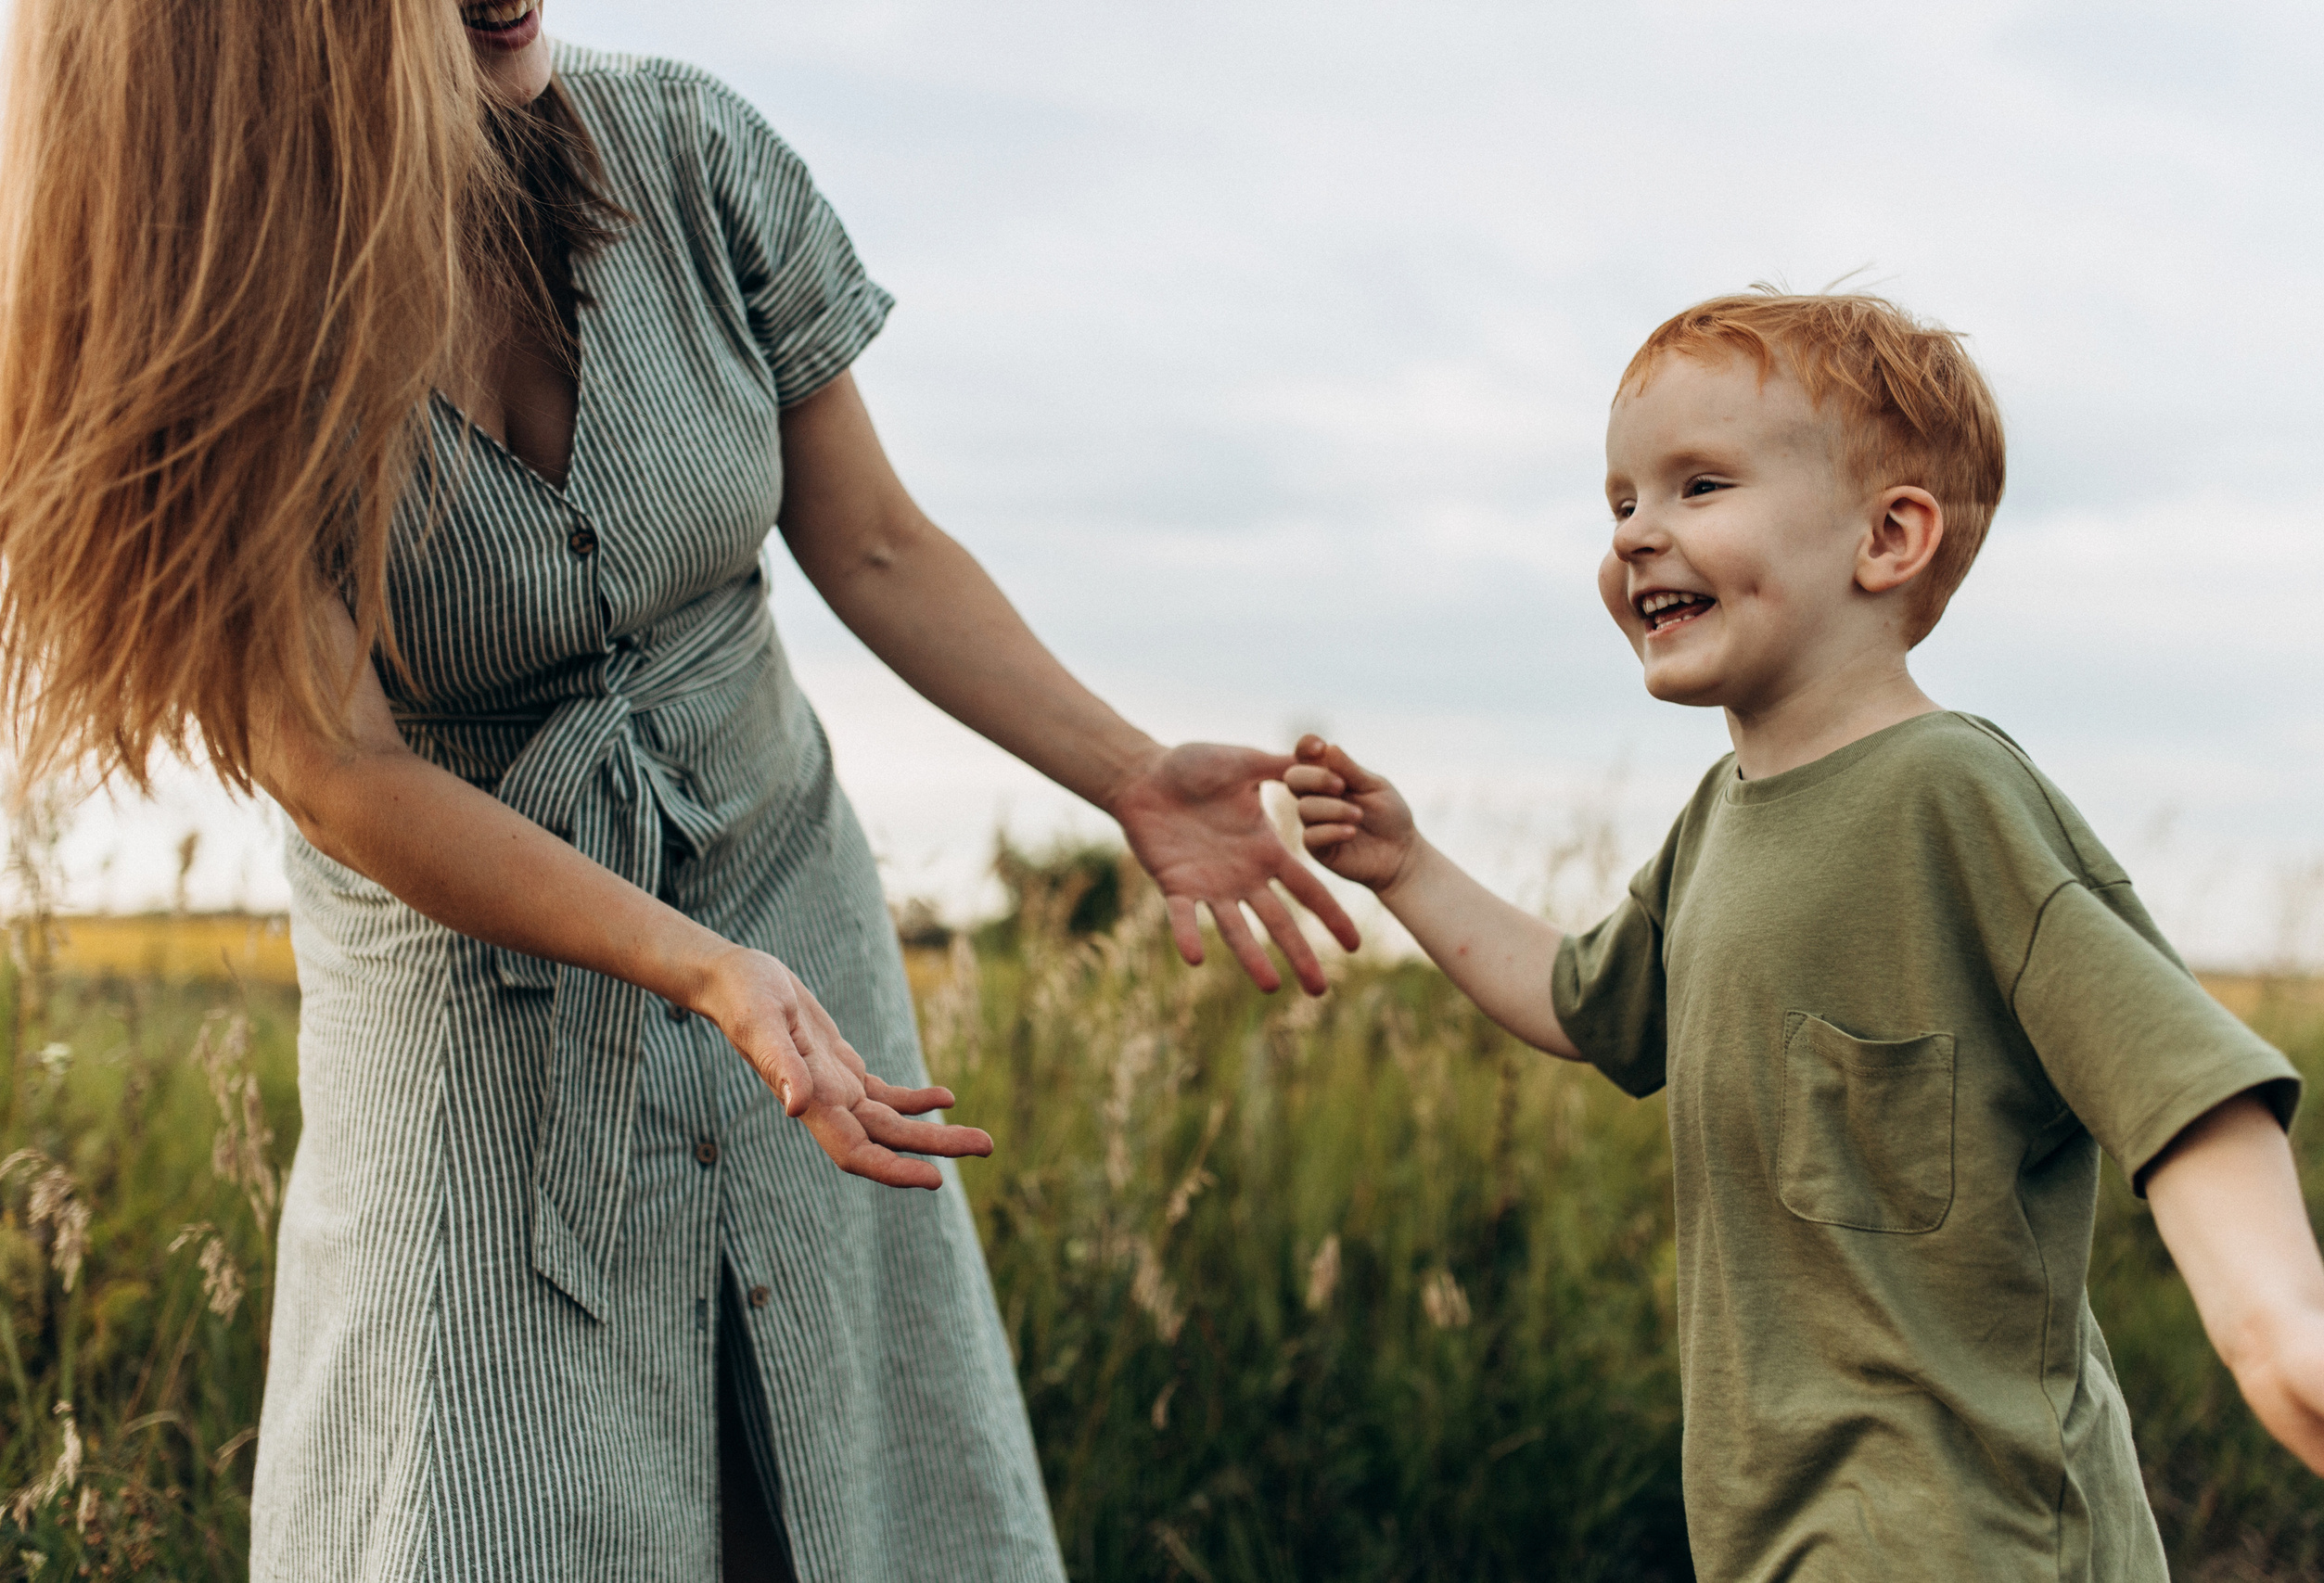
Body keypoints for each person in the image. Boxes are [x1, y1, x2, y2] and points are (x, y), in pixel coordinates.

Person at [0, 2, 1357, 1578]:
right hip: (477, 1028)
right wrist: (692, 966)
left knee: (851, 1495)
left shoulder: (688, 153)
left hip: (799, 930)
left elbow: (875, 545)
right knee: (478, 1511)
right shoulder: (218, 324)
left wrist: (1129, 775)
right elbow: (335, 765)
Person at [1285, 289, 2324, 1579]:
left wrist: (2282, 1330)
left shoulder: (1949, 797)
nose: (1637, 535)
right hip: (1776, 1532)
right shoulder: (1718, 824)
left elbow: (2181, 1083)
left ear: (1889, 537)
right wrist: (1405, 868)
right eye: (1620, 501)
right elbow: (1581, 1004)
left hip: (1973, 1536)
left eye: (1698, 486)